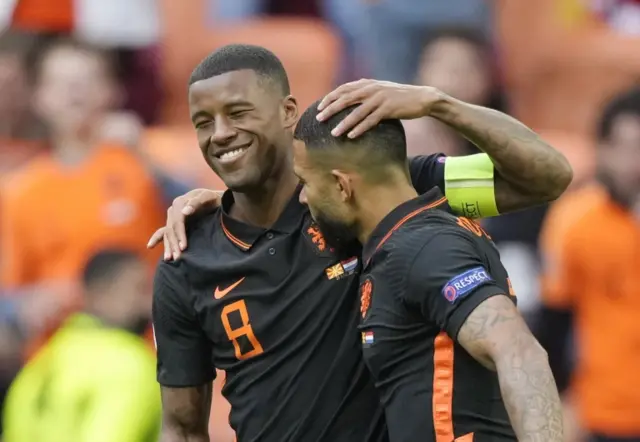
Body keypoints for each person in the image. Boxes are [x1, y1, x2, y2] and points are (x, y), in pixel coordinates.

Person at [150, 44, 572, 442]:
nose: (220, 133)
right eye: (203, 122)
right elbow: (182, 427)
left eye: (238, 113)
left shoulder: (372, 194)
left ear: (288, 111)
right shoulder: (185, 258)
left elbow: (545, 178)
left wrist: (439, 104)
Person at [290, 101, 563, 441]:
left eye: (305, 183)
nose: (302, 198)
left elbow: (521, 351)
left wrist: (437, 102)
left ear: (342, 186)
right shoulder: (408, 232)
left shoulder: (421, 248)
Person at [536, 87, 640, 442]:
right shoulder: (574, 220)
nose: (635, 164)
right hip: (604, 411)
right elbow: (555, 317)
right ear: (602, 148)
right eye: (625, 148)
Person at [2, 249, 161, 442]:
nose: (150, 302)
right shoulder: (132, 364)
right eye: (140, 289)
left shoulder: (49, 353)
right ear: (101, 293)